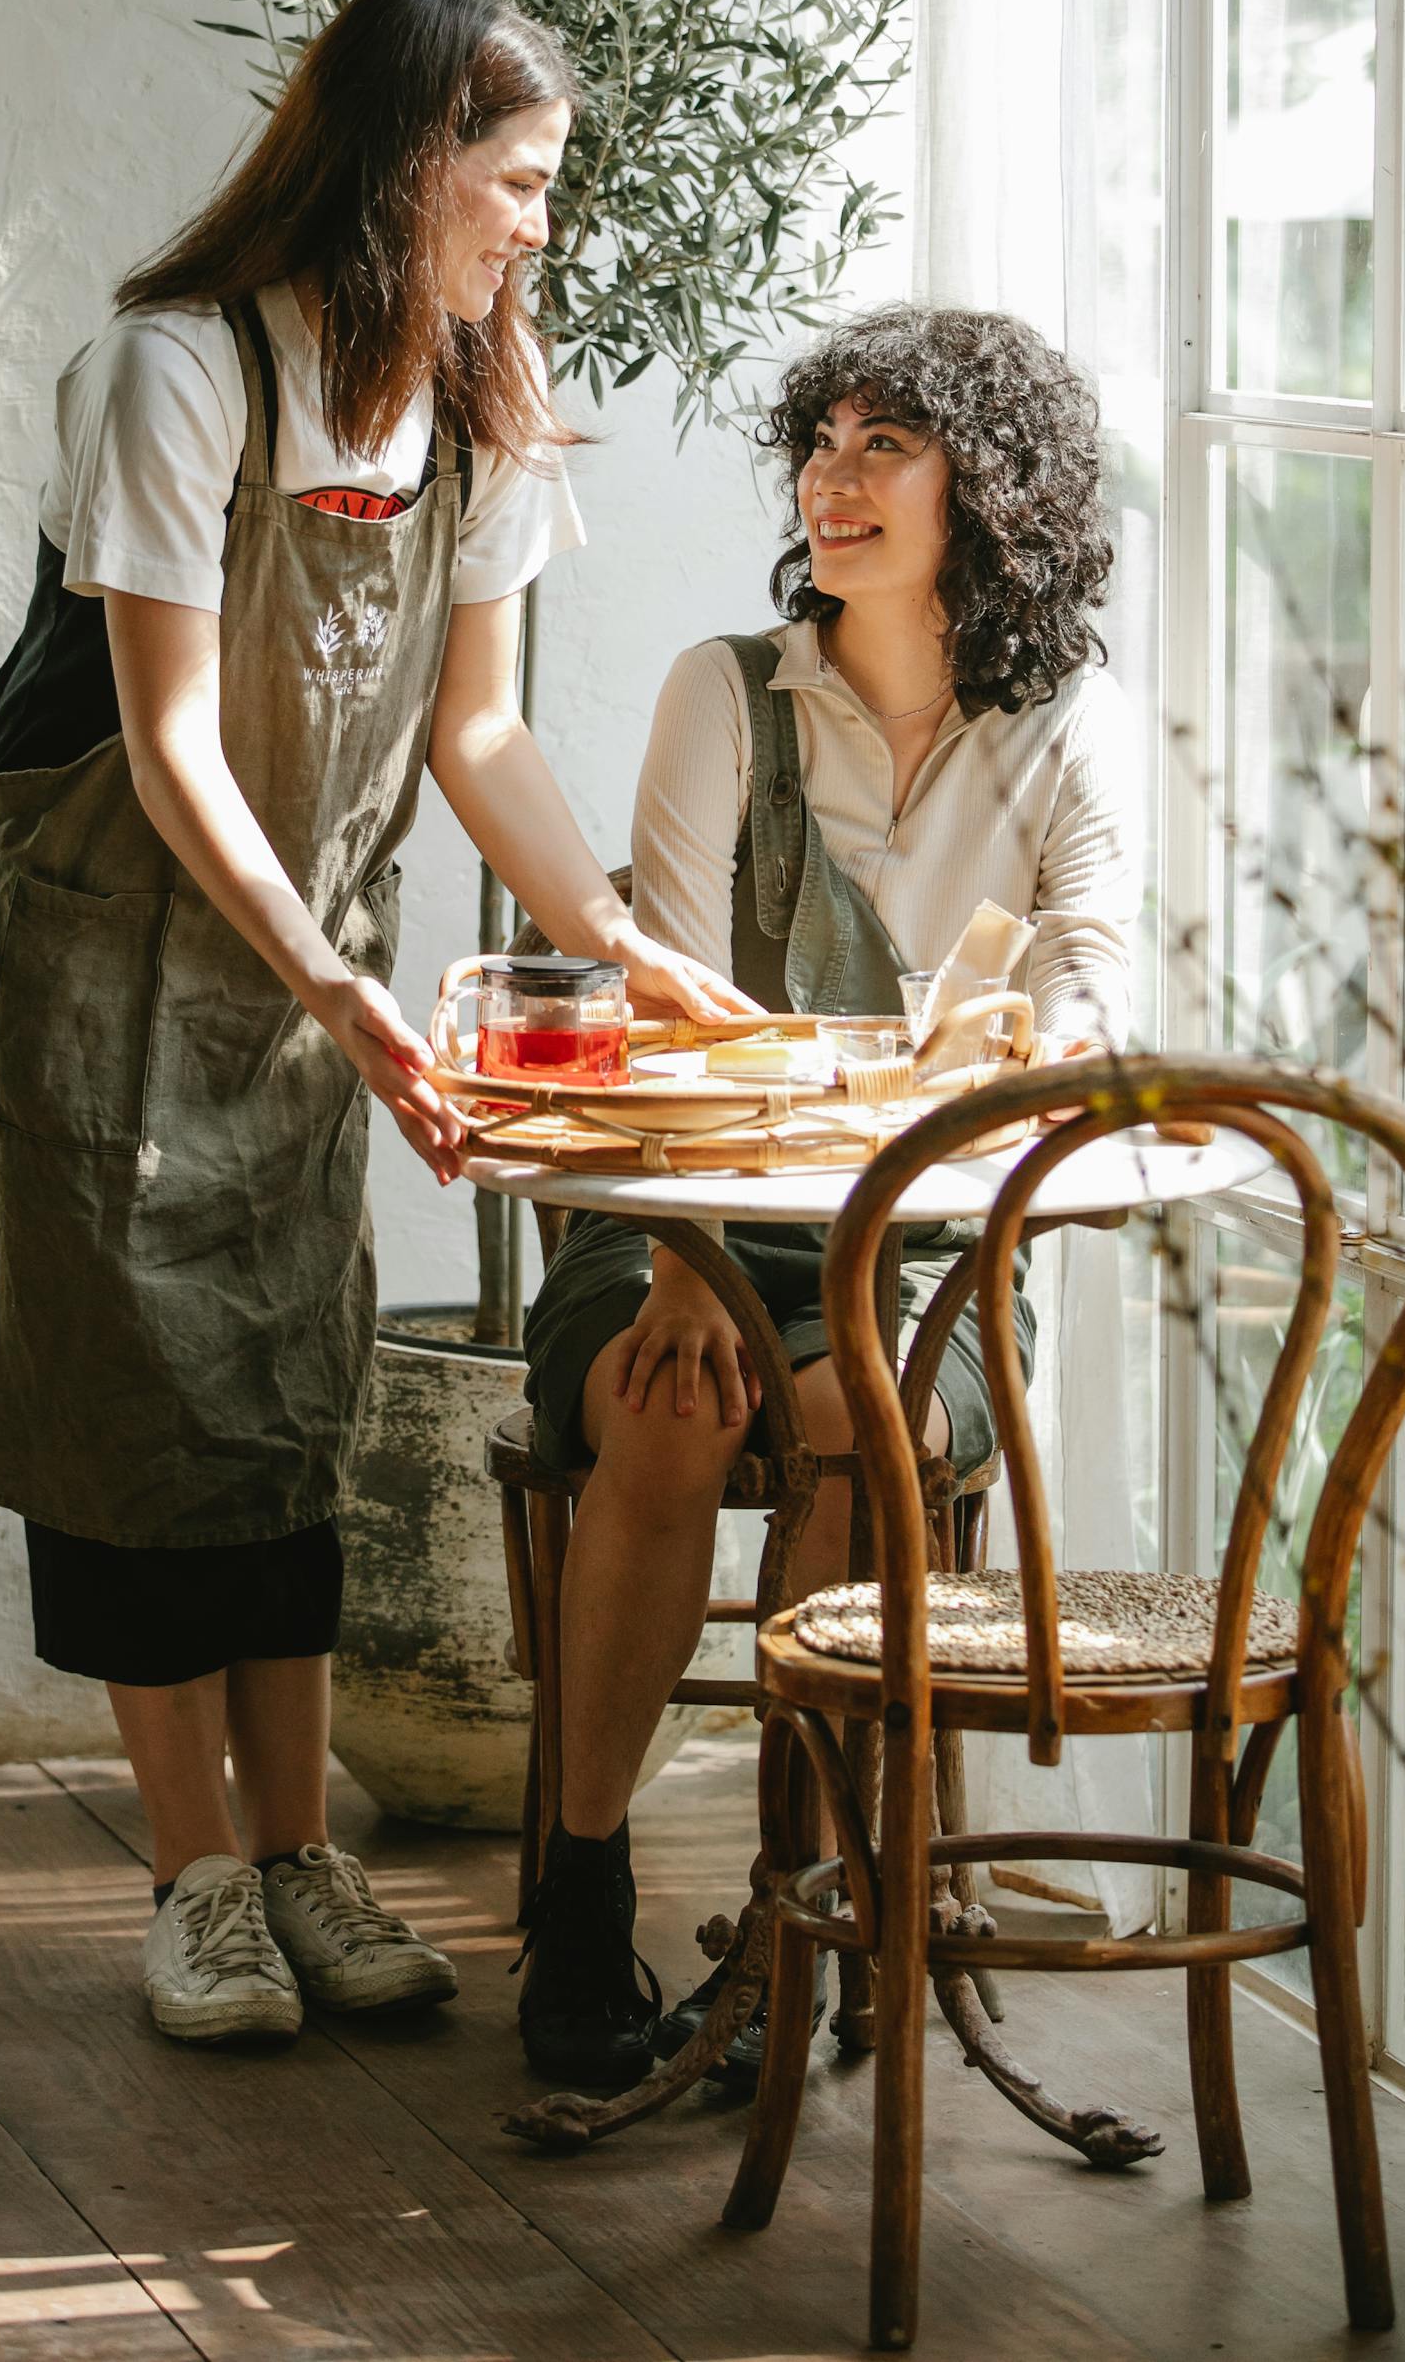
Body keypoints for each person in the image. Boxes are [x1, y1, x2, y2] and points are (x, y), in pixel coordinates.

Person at [0, 0, 753, 2050]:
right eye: (520, 182)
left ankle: (310, 1860)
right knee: (136, 1403)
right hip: (115, 941)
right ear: (409, 171)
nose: (543, 224)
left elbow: (480, 735)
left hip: (315, 960)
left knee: (285, 1393)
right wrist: (339, 983)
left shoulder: (474, 403)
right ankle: (197, 1879)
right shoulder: (174, 371)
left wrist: (625, 933)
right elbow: (175, 742)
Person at [514, 303, 1142, 2091]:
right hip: (685, 1214)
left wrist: (1001, 1058)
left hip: (929, 1256)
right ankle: (582, 1880)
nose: (833, 477)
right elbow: (673, 1012)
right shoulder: (728, 692)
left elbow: (1091, 1008)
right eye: (825, 440)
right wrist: (689, 1268)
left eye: (888, 445)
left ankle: (798, 1905)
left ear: (989, 493)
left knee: (853, 1422)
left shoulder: (1064, 736)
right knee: (665, 1402)